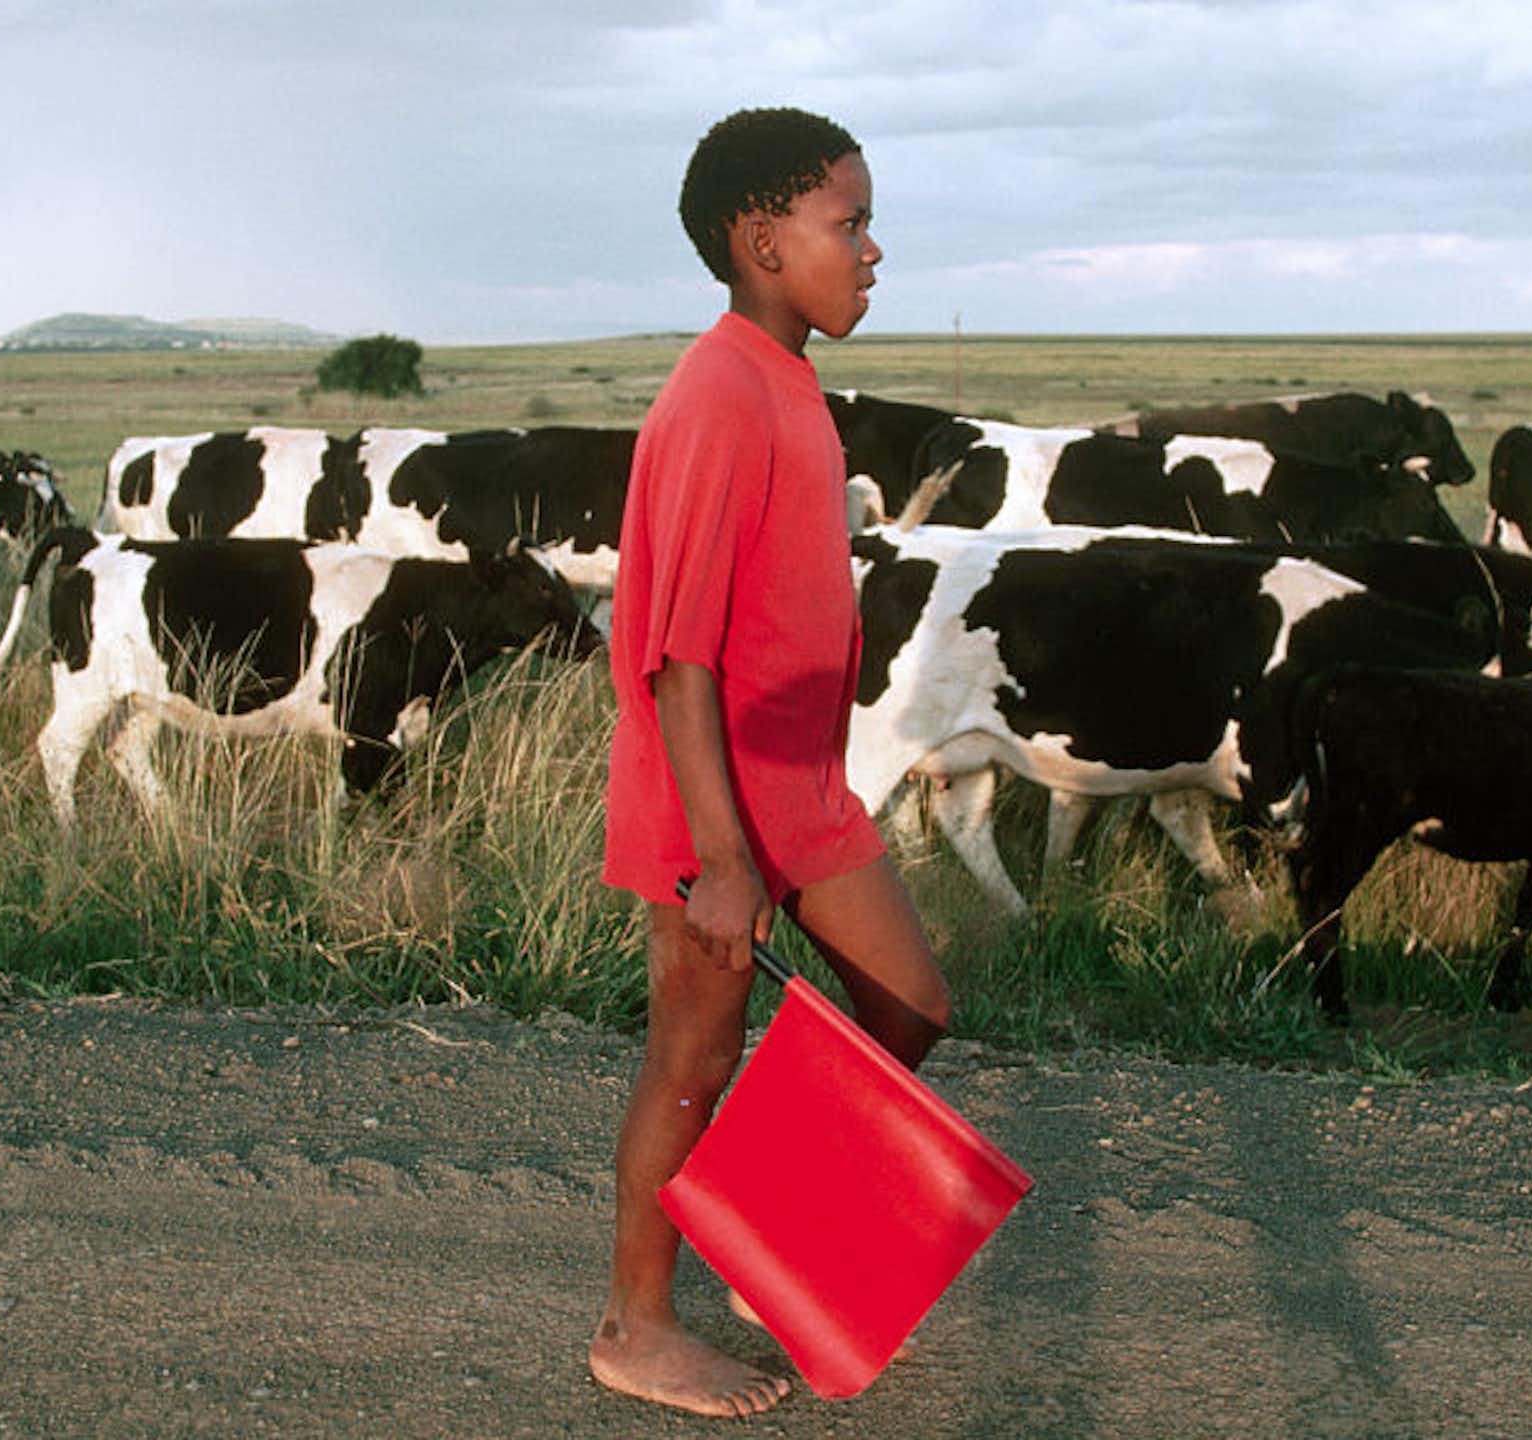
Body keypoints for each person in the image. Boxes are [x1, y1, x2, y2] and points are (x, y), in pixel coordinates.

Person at [589, 106, 953, 1419]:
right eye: (848, 224)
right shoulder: (719, 398)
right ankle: (635, 1326)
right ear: (762, 242)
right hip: (712, 804)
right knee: (694, 1056)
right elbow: (678, 661)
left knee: (910, 1008)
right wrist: (725, 865)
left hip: (798, 790)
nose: (872, 251)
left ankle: (770, 1244)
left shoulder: (786, 384)